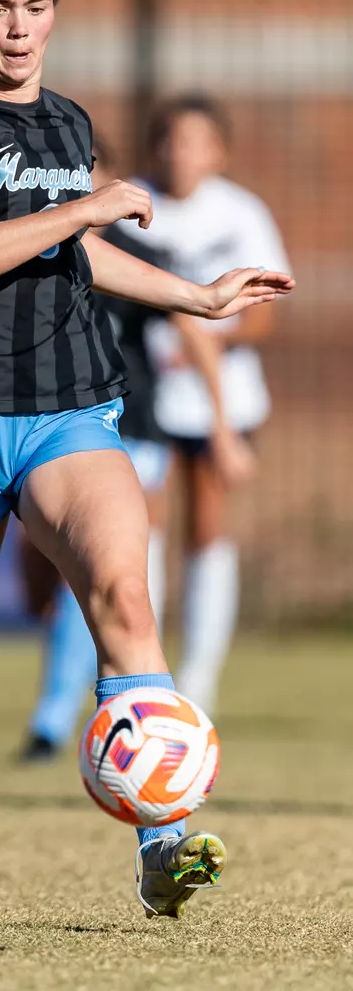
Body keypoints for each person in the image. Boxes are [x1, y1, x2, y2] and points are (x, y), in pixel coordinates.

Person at [0, 0, 293, 918]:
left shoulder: (67, 123)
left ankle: (164, 839)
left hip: (69, 407)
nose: (17, 27)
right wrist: (81, 212)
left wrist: (195, 297)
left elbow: (81, 255)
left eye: (34, 6)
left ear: (54, 12)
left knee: (122, 595)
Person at [20, 138, 255, 761]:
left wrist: (223, 425)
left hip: (130, 430)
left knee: (105, 573)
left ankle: (75, 721)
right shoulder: (21, 239)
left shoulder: (136, 252)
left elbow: (191, 326)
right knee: (45, 581)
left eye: (85, 171)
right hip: (39, 428)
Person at [130, 95, 291, 716]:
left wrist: (202, 340)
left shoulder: (241, 213)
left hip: (220, 403)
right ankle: (146, 666)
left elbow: (264, 316)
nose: (181, 153)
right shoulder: (132, 206)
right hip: (140, 398)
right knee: (139, 527)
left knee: (206, 526)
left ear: (219, 152)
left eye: (197, 141)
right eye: (170, 140)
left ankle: (198, 679)